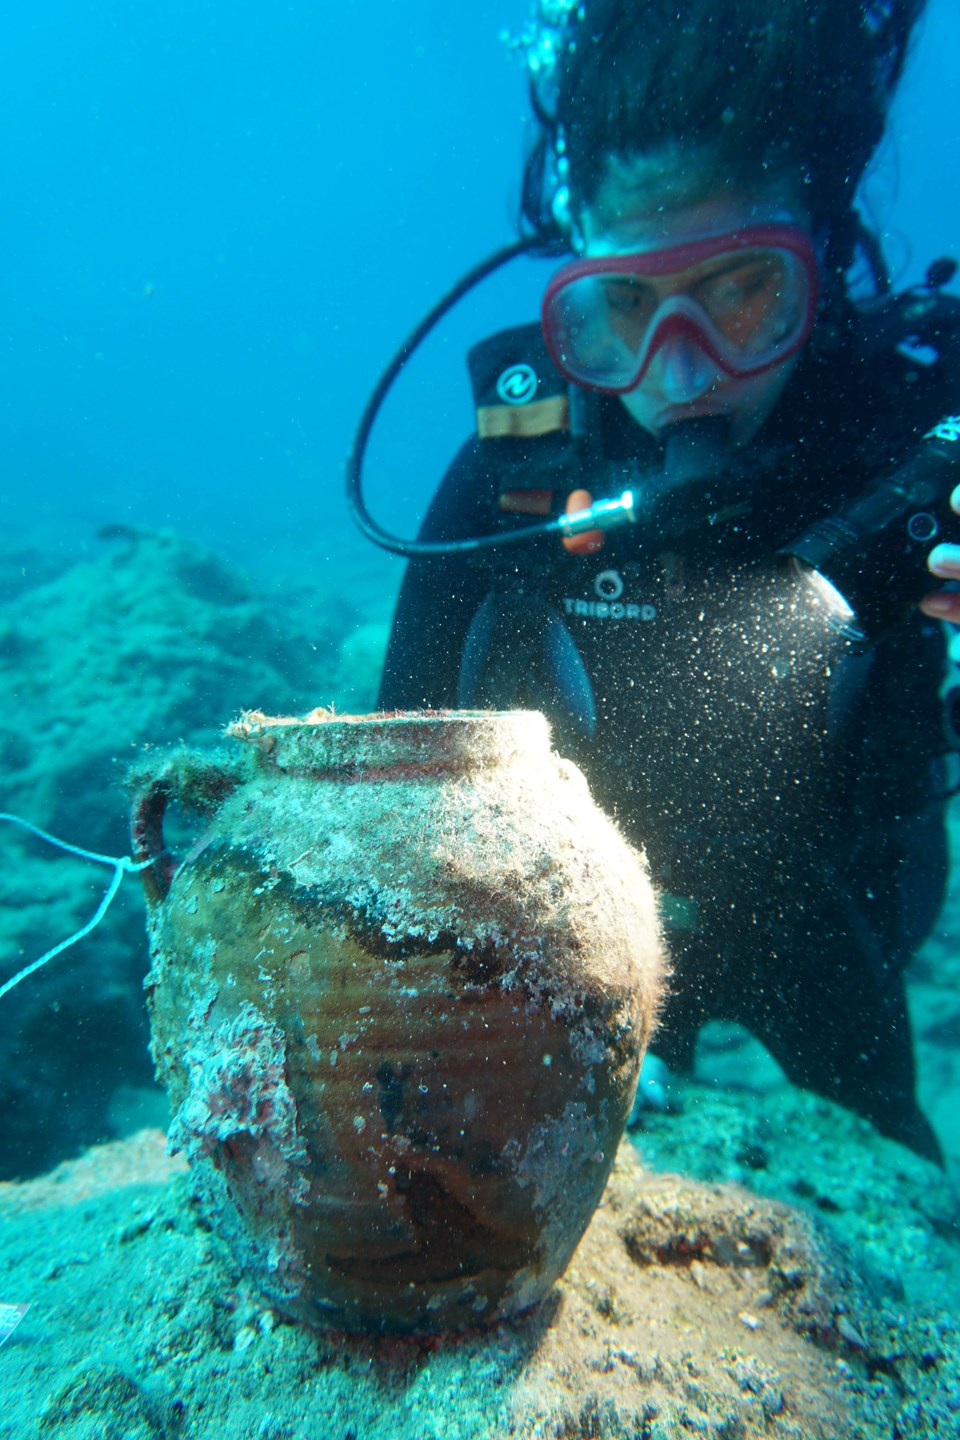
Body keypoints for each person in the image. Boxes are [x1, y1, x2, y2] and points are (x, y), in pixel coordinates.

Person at [377, 0, 960, 1163]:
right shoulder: (518, 470)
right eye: (627, 307)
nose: (682, 369)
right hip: (549, 939)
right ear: (574, 272)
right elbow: (394, 772)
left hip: (839, 913)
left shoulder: (917, 445)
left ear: (824, 244)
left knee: (891, 1160)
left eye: (746, 288)